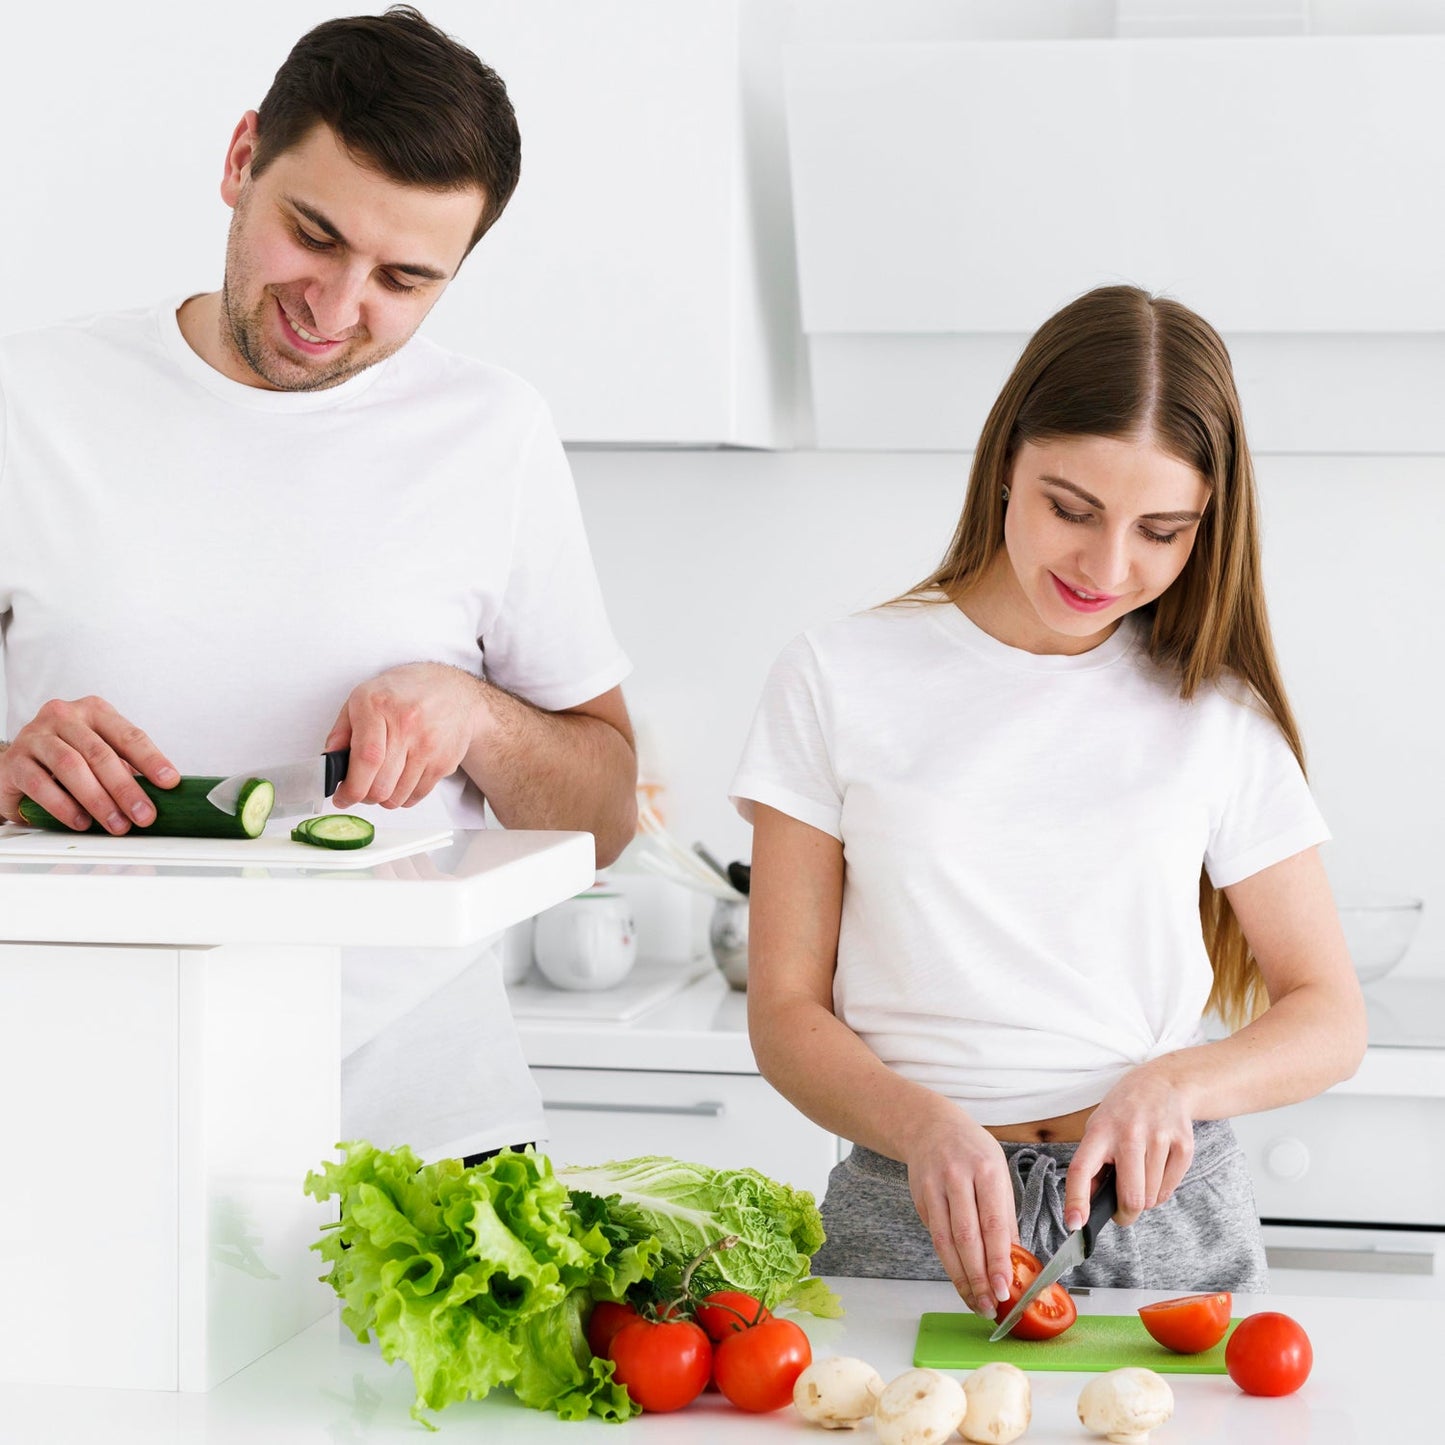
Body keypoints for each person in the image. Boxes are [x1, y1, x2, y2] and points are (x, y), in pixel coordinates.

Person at [0, 7, 636, 1165]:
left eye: (403, 277)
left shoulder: (491, 433)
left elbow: (602, 818)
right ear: (242, 159)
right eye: (313, 235)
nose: (335, 309)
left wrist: (475, 713)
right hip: (79, 1113)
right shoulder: (27, 403)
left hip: (425, 1131)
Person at [729, 285, 1367, 1318]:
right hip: (912, 1208)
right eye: (1069, 508)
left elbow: (1328, 1014)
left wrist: (1176, 1084)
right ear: (1003, 464)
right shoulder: (835, 675)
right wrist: (927, 1126)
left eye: (1160, 529)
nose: (1105, 566)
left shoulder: (1211, 707)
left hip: (1159, 1216)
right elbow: (784, 1012)